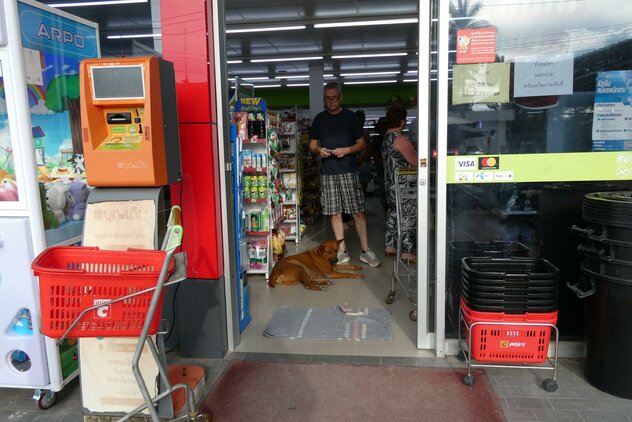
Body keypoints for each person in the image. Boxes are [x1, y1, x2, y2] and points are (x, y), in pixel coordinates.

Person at [309, 82, 381, 267]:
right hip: (328, 172)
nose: (330, 101)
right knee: (334, 214)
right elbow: (312, 145)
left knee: (357, 212)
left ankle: (365, 251)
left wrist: (348, 150)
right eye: (327, 98)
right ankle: (342, 252)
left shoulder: (350, 118)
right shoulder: (319, 119)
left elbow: (362, 143)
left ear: (340, 97)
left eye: (334, 98)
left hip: (348, 170)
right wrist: (319, 150)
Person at [381, 106, 417, 260]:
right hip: (404, 184)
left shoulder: (386, 138)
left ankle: (391, 246)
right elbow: (414, 161)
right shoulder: (400, 139)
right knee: (408, 215)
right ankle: (407, 252)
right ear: (402, 121)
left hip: (390, 182)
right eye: (406, 119)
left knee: (394, 213)